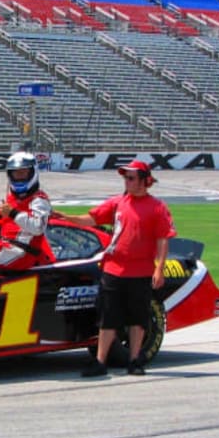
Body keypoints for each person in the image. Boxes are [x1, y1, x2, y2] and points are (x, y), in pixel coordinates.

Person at [56, 159, 176, 377]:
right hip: (113, 270)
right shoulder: (118, 203)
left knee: (137, 320)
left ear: (144, 181)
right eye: (125, 177)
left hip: (140, 272)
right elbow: (91, 219)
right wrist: (66, 218)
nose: (126, 181)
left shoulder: (157, 207)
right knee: (107, 318)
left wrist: (159, 268)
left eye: (131, 178)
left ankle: (135, 360)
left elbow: (163, 239)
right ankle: (100, 361)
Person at [0, 151, 54, 271]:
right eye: (16, 173)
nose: (19, 176)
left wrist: (13, 213)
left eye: (23, 173)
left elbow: (37, 227)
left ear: (33, 172)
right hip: (5, 246)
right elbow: (3, 207)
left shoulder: (39, 199)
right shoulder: (13, 195)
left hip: (22, 251)